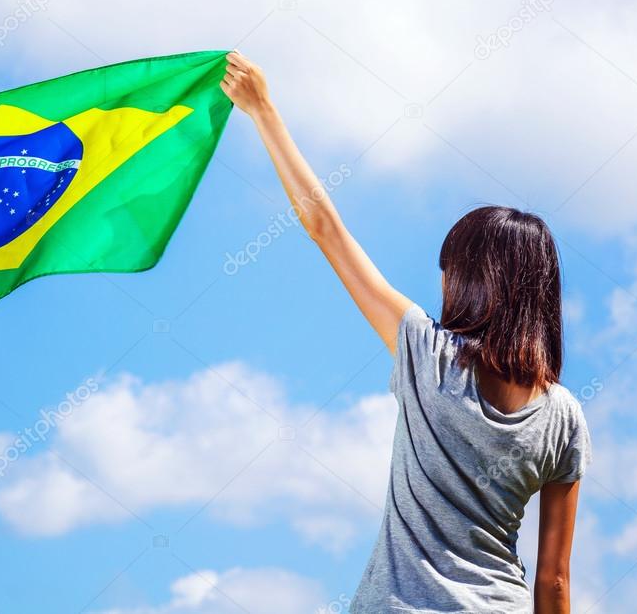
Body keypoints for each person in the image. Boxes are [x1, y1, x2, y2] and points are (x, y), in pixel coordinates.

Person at [221, 52, 591, 614]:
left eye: (449, 271)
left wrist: (263, 111)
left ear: (470, 280)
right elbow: (555, 582)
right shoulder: (565, 417)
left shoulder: (428, 353)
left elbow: (325, 228)